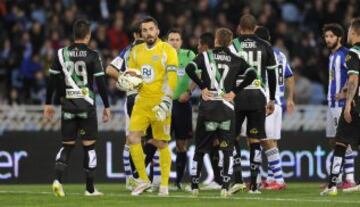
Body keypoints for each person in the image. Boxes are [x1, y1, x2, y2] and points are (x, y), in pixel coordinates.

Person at [186, 27, 257, 197]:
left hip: (208, 109)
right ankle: (225, 185)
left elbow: (189, 68)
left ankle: (195, 185)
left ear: (216, 40)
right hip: (226, 109)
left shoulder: (205, 56)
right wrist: (235, 91)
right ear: (230, 42)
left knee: (200, 149)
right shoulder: (236, 59)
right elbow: (253, 74)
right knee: (227, 149)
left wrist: (203, 86)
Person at [44, 19, 111, 197]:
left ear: (74, 35)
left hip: (68, 107)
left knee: (66, 146)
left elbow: (52, 79)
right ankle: (89, 189)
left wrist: (48, 103)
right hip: (87, 106)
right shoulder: (93, 54)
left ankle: (57, 180)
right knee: (89, 148)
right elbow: (101, 82)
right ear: (88, 36)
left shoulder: (60, 53)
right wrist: (106, 105)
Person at [124, 16, 178, 196]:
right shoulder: (136, 51)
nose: (148, 33)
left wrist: (166, 101)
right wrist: (127, 82)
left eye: (151, 29)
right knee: (132, 138)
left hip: (160, 102)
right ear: (141, 33)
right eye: (145, 30)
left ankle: (163, 185)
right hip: (141, 102)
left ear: (157, 31)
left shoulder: (167, 50)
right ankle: (143, 180)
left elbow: (172, 77)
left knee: (161, 142)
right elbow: (133, 75)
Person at [105, 23, 161, 191]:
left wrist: (125, 79)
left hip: (131, 98)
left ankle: (133, 178)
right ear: (140, 34)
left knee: (132, 139)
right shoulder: (152, 49)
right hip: (148, 97)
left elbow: (109, 69)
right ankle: (145, 177)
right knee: (152, 138)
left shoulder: (127, 50)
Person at [228, 14, 277, 194]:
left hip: (237, 96)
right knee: (255, 139)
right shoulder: (265, 45)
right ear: (255, 28)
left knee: (232, 137)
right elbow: (272, 74)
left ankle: (238, 179)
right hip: (258, 96)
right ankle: (254, 185)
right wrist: (271, 98)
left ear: (240, 28)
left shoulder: (233, 45)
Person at [321, 18, 360, 196]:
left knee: (342, 141)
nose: (328, 39)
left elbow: (352, 77)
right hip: (333, 103)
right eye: (326, 36)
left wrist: (346, 96)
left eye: (331, 36)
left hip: (346, 104)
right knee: (335, 141)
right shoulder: (333, 56)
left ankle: (346, 179)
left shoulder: (348, 53)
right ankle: (338, 180)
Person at [255, 26, 295, 190]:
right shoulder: (280, 54)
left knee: (264, 140)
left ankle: (278, 179)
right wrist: (290, 98)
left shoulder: (260, 54)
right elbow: (290, 76)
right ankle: (271, 178)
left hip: (267, 102)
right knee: (272, 141)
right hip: (279, 103)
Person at [166, 28, 196, 190]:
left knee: (181, 144)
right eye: (171, 39)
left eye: (177, 39)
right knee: (159, 142)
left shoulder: (189, 55)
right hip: (165, 104)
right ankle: (154, 179)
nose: (174, 42)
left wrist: (189, 92)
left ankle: (177, 181)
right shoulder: (162, 55)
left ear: (181, 42)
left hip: (182, 105)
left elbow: (199, 74)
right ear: (166, 41)